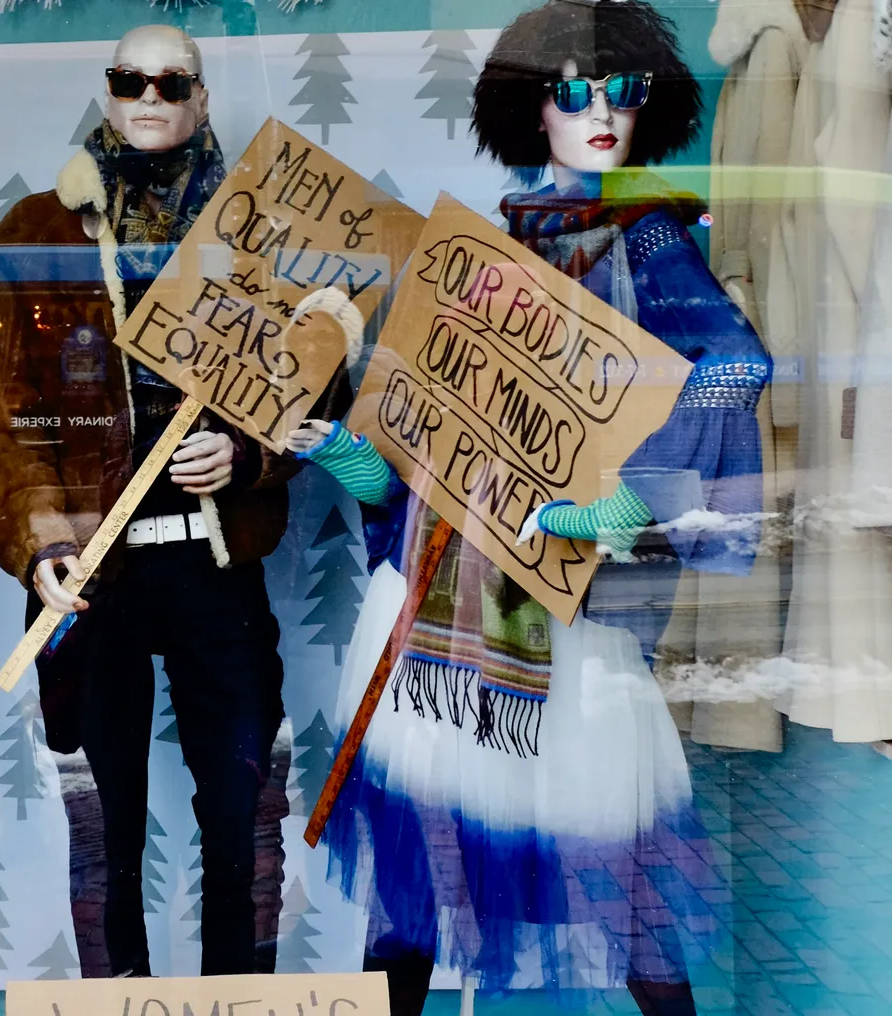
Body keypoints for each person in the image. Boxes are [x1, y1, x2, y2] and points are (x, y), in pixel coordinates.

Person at [294, 3, 768, 1014]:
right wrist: (338, 449)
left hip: (567, 621)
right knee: (411, 885)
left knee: (626, 878)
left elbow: (733, 368)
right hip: (431, 613)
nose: (600, 112)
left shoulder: (648, 240)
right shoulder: (477, 251)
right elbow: (405, 471)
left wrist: (622, 502)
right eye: (571, 90)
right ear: (532, 109)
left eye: (621, 90)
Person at [0, 25, 299, 976]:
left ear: (199, 94)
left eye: (168, 81)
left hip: (212, 556)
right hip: (92, 562)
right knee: (109, 812)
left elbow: (310, 382)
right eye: (127, 79)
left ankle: (234, 989)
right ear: (108, 93)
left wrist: (248, 456)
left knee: (234, 804)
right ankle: (125, 990)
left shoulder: (252, 235)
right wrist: (40, 541)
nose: (147, 97)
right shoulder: (35, 234)